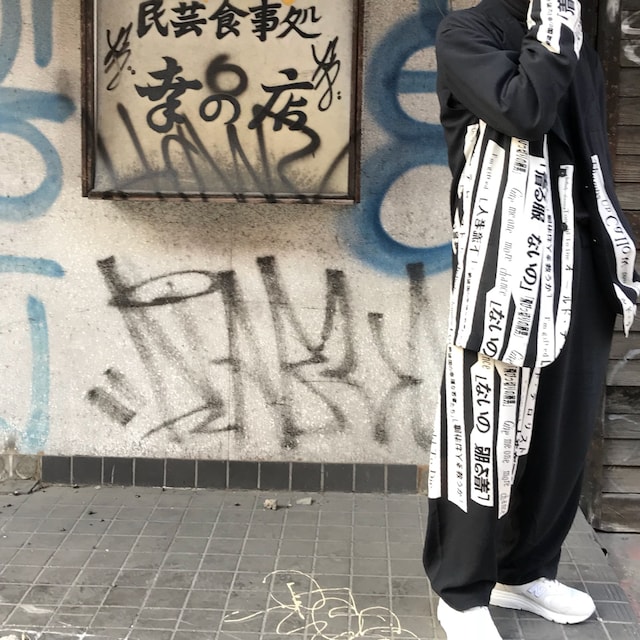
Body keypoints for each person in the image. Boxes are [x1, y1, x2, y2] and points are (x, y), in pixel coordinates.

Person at [423, 0, 640, 638]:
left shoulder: (575, 45)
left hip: (581, 267)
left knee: (563, 434)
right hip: (504, 270)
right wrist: (553, 26)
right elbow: (523, 111)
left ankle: (526, 571)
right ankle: (461, 592)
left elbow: (592, 153)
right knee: (482, 427)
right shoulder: (467, 32)